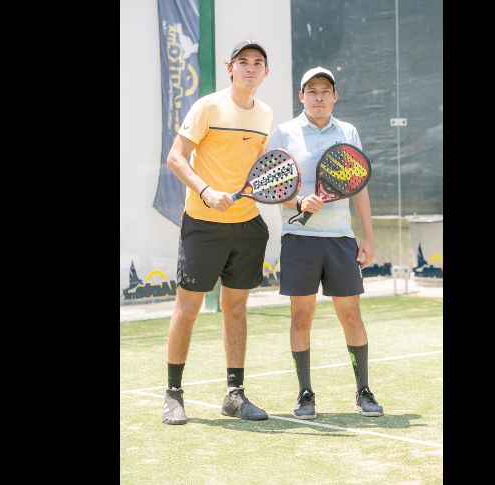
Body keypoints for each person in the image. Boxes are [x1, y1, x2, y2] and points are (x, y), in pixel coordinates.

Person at [161, 40, 273, 425]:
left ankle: (234, 395)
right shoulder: (208, 106)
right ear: (230, 68)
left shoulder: (265, 115)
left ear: (265, 72)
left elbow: (258, 167)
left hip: (247, 225)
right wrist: (206, 191)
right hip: (203, 225)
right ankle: (173, 394)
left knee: (236, 309)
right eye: (244, 62)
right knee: (188, 309)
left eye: (258, 63)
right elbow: (176, 157)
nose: (250, 69)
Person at [266, 66, 384, 419]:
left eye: (325, 91)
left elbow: (357, 185)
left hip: (340, 240)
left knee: (351, 315)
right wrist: (299, 202)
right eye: (312, 91)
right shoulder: (284, 133)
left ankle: (363, 391)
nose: (319, 97)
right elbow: (271, 187)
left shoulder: (348, 132)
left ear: (335, 96)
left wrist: (368, 236)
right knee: (301, 316)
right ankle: (305, 394)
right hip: (299, 239)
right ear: (301, 96)